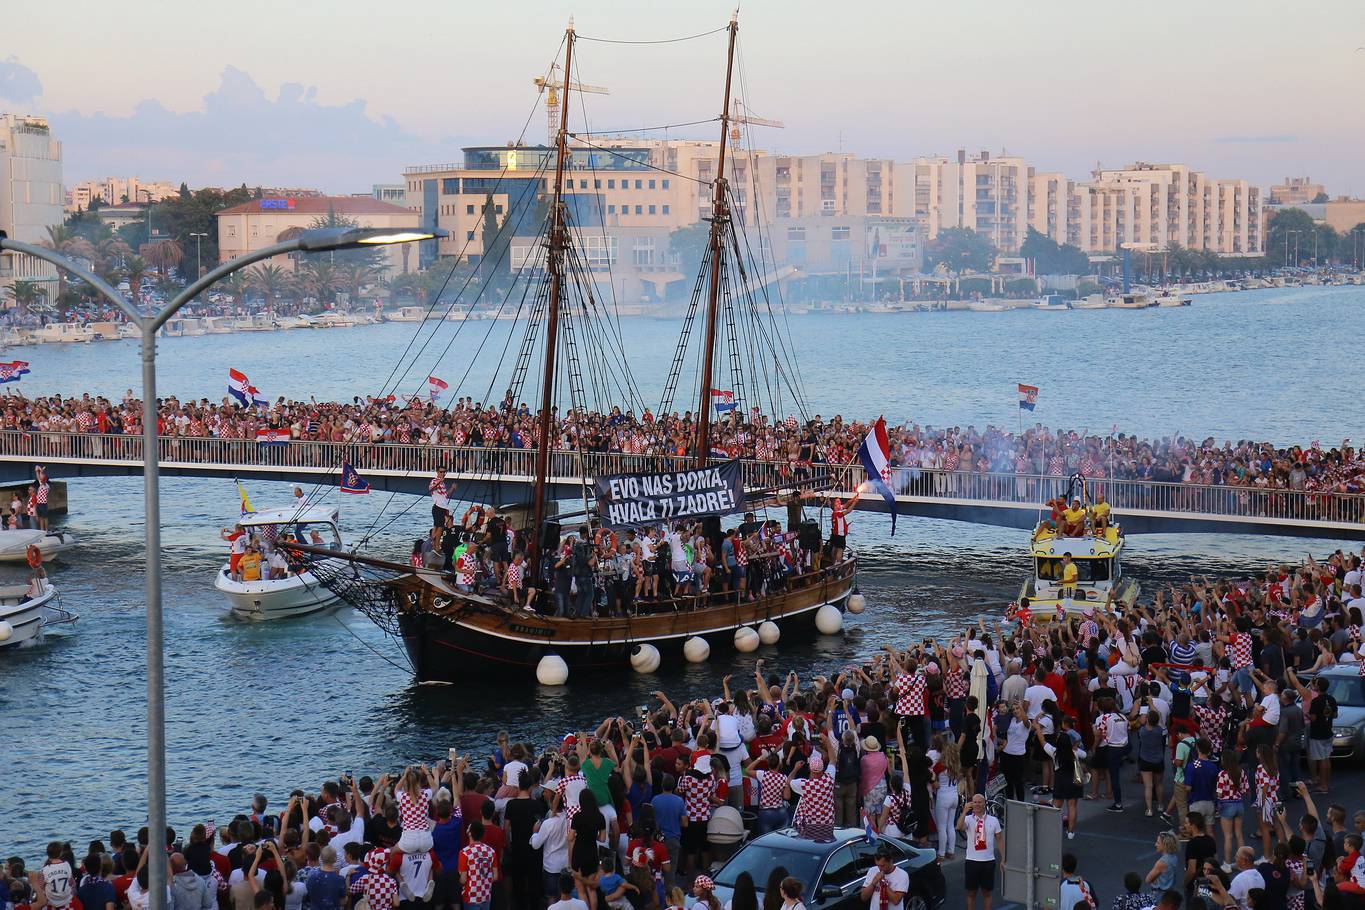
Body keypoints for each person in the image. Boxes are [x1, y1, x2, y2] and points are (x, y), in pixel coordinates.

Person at [959, 793, 1003, 910]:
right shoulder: (968, 819)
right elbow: (959, 827)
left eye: (980, 802)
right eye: (975, 802)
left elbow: (999, 840)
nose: (977, 804)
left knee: (987, 893)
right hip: (972, 861)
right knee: (971, 893)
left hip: (988, 861)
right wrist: (964, 812)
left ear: (985, 804)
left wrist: (1003, 859)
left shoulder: (993, 820)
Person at [457, 821, 499, 910]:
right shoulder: (491, 851)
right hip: (486, 896)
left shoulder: (464, 853)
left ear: (469, 833)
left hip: (471, 897)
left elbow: (463, 879)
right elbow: (495, 877)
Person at [859, 844, 909, 910]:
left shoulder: (902, 875)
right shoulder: (872, 870)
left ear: (891, 861)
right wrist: (874, 882)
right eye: (878, 865)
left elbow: (896, 900)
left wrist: (883, 882)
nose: (880, 868)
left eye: (883, 865)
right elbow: (863, 897)